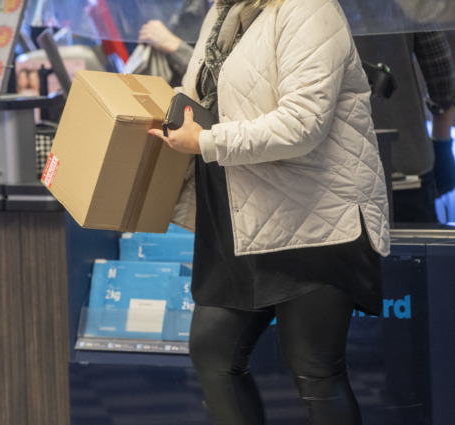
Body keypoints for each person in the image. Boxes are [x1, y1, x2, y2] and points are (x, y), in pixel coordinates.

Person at [148, 0, 390, 424]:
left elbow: (302, 123)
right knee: (212, 353)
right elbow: (198, 98)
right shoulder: (222, 11)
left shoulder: (310, 9)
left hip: (316, 220)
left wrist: (206, 142)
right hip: (241, 220)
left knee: (316, 372)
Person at [354, 32, 455, 223]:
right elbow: (441, 78)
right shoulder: (408, 2)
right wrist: (442, 146)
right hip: (406, 160)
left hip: (337, 172)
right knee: (415, 249)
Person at [137, 0, 210, 87]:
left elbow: (212, 76)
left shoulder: (215, 8)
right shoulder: (170, 7)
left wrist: (175, 46)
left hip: (191, 92)